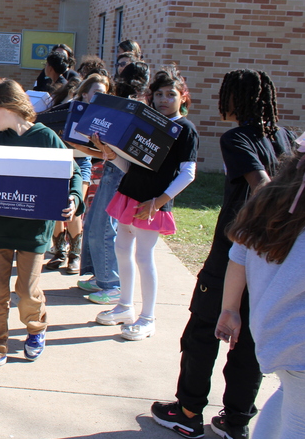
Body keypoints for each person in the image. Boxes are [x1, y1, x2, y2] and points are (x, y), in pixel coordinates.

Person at [152, 70, 291, 439]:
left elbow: (262, 187)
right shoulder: (284, 136)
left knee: (202, 331)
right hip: (272, 256)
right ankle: (236, 421)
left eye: (225, 94)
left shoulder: (236, 138)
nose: (220, 101)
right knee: (248, 337)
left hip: (233, 252)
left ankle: (189, 414)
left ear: (236, 99)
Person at [216, 127, 305, 439]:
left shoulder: (269, 201)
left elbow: (238, 255)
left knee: (292, 393)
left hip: (271, 329)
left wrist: (230, 309)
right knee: (304, 424)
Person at [0, 80, 82, 375]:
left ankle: (36, 328)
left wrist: (75, 198)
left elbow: (73, 173)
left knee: (26, 290)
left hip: (35, 231)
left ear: (10, 107)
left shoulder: (47, 138)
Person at [95, 66, 198, 341]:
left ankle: (147, 317)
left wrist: (158, 201)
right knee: (122, 249)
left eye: (171, 94)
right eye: (159, 94)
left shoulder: (185, 130)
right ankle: (125, 307)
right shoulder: (149, 124)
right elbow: (130, 166)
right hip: (129, 195)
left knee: (144, 256)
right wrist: (108, 152)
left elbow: (188, 173)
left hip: (152, 202)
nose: (164, 99)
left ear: (183, 98)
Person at [75, 61, 150, 302]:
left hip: (120, 172)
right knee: (94, 222)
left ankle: (111, 283)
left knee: (105, 226)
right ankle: (100, 275)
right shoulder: (126, 105)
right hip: (112, 167)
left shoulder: (136, 107)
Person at [47, 73, 109, 275]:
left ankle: (75, 255)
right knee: (55, 207)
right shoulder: (67, 110)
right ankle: (59, 252)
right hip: (58, 162)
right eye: (97, 92)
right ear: (84, 94)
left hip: (81, 162)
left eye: (104, 94)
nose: (100, 97)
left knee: (74, 206)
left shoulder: (105, 116)